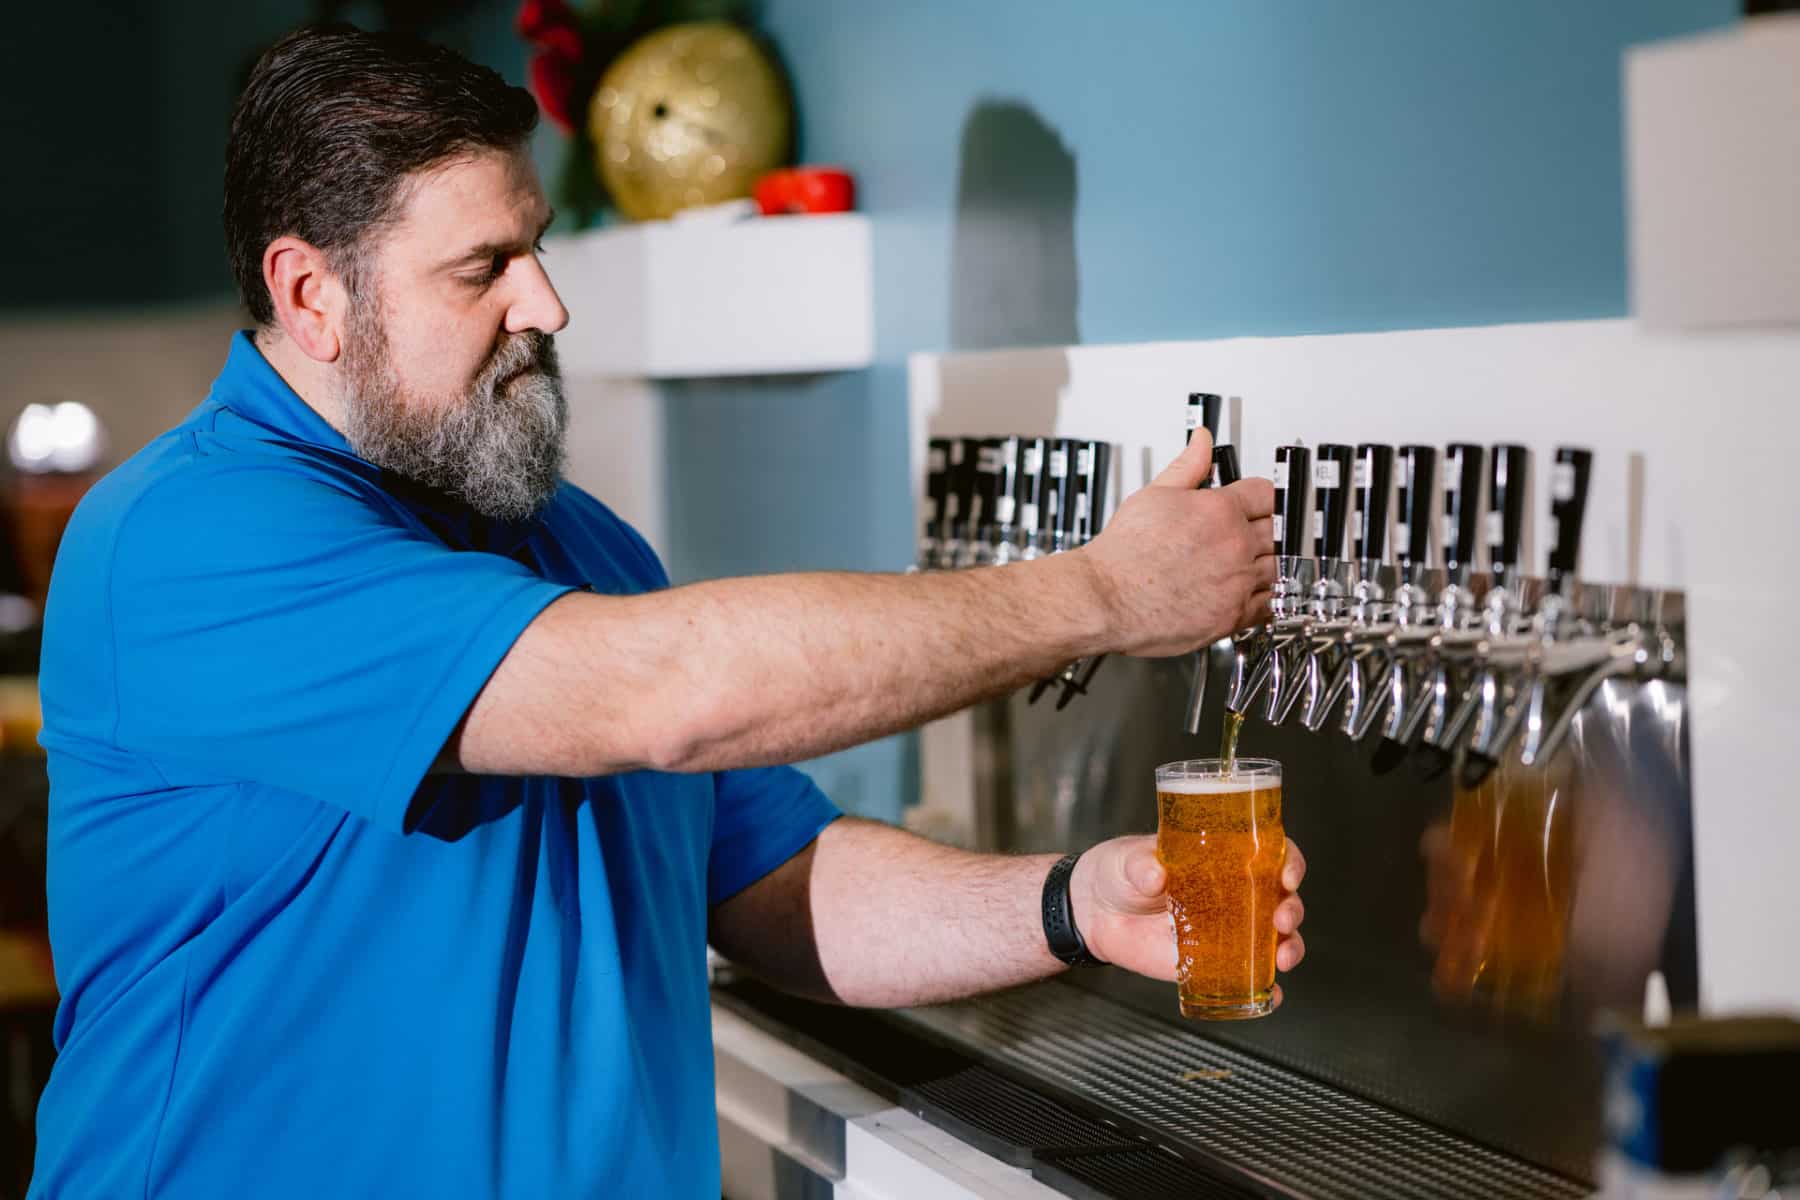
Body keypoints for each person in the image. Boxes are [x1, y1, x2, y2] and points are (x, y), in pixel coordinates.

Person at [27, 24, 1304, 1200]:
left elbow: (776, 884)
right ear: (313, 297)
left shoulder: (576, 545)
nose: (546, 305)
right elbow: (671, 698)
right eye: (485, 268)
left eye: (537, 247)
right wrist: (1102, 593)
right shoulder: (186, 544)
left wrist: (1073, 904)